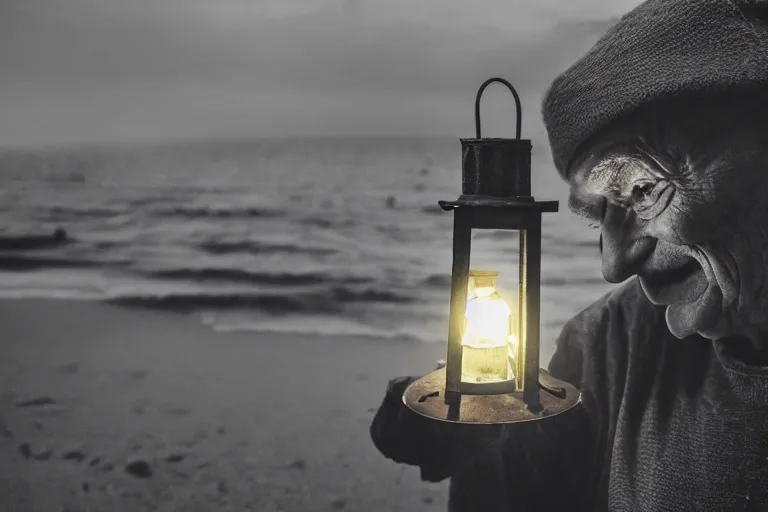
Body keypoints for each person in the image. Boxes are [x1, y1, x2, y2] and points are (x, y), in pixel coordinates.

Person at [370, 1, 768, 510]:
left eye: (643, 190)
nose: (614, 265)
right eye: (597, 217)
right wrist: (466, 437)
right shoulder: (613, 338)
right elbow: (541, 476)